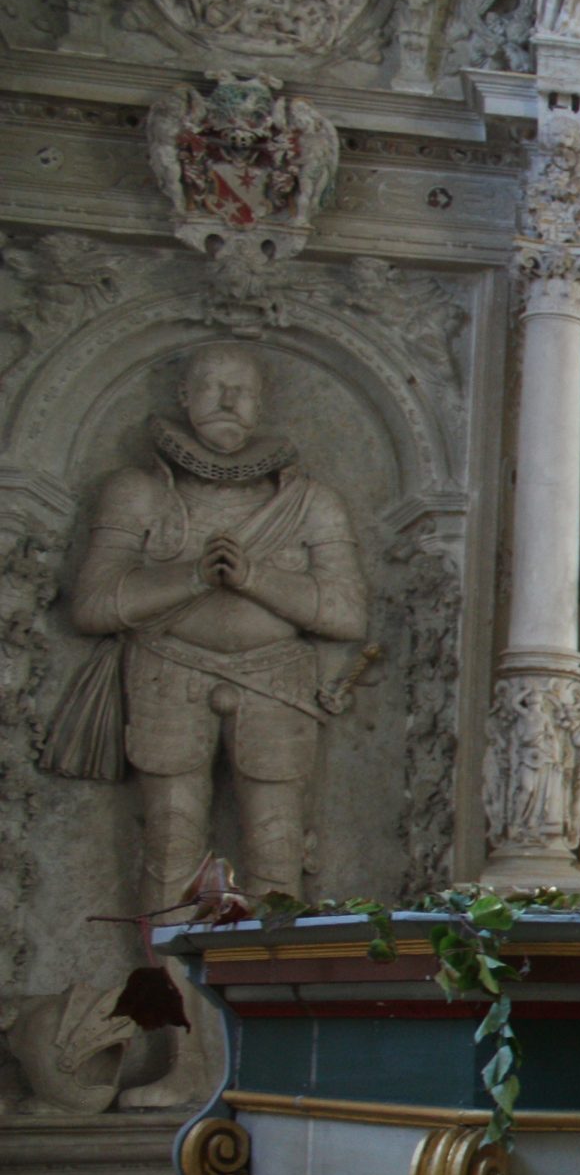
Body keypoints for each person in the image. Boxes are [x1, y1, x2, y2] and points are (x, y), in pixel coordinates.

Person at [52, 343, 367, 912]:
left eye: (242, 389)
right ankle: (167, 1001)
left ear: (261, 401)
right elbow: (92, 606)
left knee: (277, 849)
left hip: (275, 681)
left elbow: (346, 614)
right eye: (212, 387)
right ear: (183, 396)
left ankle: (267, 1000)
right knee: (170, 842)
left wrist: (255, 579)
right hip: (169, 672)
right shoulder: (137, 491)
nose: (228, 400)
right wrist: (193, 578)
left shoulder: (312, 503)